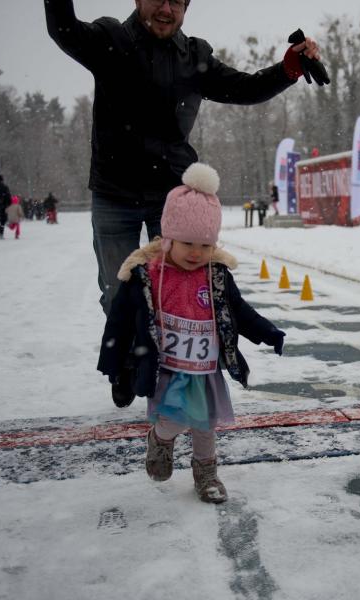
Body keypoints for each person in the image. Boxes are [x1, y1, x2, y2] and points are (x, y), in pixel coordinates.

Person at [45, 0, 324, 315]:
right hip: (114, 193)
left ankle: (175, 360)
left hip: (172, 195)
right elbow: (64, 30)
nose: (166, 8)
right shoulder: (111, 39)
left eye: (176, 1)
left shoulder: (194, 57)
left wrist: (288, 69)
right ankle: (130, 361)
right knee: (118, 296)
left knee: (180, 295)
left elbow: (245, 88)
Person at [97, 163, 286, 503]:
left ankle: (207, 474)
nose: (196, 253)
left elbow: (239, 311)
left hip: (205, 368)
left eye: (205, 244)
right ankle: (161, 437)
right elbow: (121, 320)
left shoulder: (215, 275)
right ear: (168, 237)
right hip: (168, 369)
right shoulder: (149, 276)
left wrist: (268, 332)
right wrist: (116, 362)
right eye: (187, 243)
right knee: (175, 419)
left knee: (206, 424)